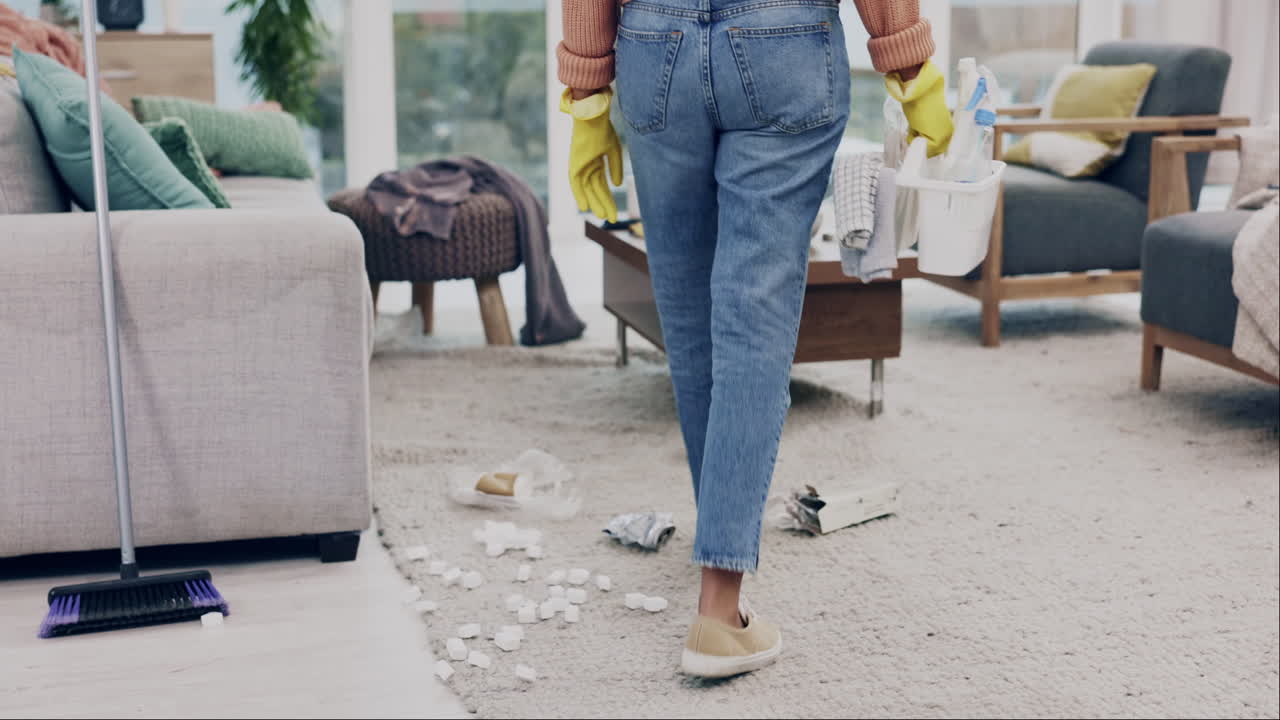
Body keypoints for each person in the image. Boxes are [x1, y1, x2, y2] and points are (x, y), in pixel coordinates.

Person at [558, 0, 951, 678]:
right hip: (784, 43)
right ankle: (719, 606)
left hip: (656, 48)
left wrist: (588, 91)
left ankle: (721, 540)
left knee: (686, 315)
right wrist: (910, 65)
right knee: (752, 317)